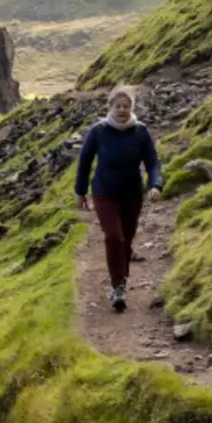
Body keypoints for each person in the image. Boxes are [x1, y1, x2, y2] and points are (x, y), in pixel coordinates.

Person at [75, 86, 164, 312]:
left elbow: (153, 161)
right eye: (118, 106)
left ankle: (121, 279)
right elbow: (84, 162)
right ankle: (118, 287)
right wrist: (80, 191)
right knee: (114, 236)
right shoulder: (98, 131)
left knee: (126, 239)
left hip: (132, 193)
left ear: (131, 108)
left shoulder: (140, 132)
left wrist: (155, 185)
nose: (122, 110)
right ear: (110, 107)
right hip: (104, 192)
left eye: (126, 106)